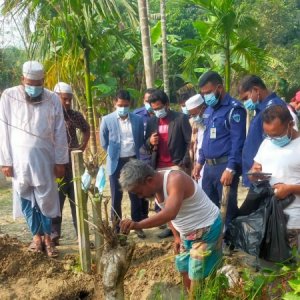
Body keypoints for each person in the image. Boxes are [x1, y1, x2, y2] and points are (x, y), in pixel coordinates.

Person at [119, 159, 222, 293]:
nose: (139, 196)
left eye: (139, 192)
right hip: (187, 234)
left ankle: (201, 295)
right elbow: (167, 213)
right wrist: (176, 236)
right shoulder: (155, 188)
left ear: (149, 180)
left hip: (207, 228)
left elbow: (170, 213)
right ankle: (190, 295)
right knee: (184, 267)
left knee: (197, 273)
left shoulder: (175, 180)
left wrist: (138, 224)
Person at [0, 61, 68, 257]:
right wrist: (5, 160)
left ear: (43, 81)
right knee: (25, 197)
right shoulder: (9, 96)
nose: (34, 87)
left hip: (46, 160)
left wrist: (60, 161)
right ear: (22, 80)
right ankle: (36, 237)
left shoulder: (53, 99)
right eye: (30, 82)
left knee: (46, 199)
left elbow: (60, 131)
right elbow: (3, 130)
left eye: (38, 83)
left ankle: (48, 239)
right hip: (18, 160)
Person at [193, 71, 246, 225]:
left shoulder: (234, 109)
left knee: (227, 208)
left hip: (224, 167)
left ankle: (229, 242)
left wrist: (231, 168)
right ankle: (215, 242)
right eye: (203, 94)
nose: (206, 96)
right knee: (209, 207)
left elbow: (238, 142)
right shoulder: (209, 110)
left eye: (208, 92)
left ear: (219, 88)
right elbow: (206, 139)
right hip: (208, 168)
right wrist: (200, 161)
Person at [249, 105, 300, 250]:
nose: (272, 139)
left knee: (292, 269)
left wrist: (290, 188)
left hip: (294, 222)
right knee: (270, 269)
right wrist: (254, 173)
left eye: (276, 135)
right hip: (268, 218)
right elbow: (254, 168)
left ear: (290, 124)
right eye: (268, 134)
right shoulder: (266, 144)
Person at [145, 89, 192, 238]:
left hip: (176, 164)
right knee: (162, 201)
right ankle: (172, 229)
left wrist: (184, 162)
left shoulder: (180, 118)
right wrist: (150, 142)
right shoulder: (152, 121)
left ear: (167, 104)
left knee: (178, 200)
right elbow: (145, 145)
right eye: (154, 109)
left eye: (159, 107)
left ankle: (184, 229)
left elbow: (189, 141)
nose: (157, 111)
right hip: (158, 165)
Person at [100, 90, 146, 238]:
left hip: (132, 160)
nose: (123, 108)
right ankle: (116, 228)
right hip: (116, 162)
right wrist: (113, 153)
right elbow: (104, 142)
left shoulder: (137, 120)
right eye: (120, 105)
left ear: (130, 104)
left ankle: (137, 225)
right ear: (115, 103)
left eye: (126, 105)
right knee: (116, 196)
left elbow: (139, 139)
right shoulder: (107, 120)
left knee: (135, 195)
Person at [51, 82, 90, 245]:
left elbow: (86, 129)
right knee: (56, 203)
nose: (67, 102)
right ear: (55, 97)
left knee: (78, 202)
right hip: (56, 168)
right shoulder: (49, 115)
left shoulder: (75, 116)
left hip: (74, 167)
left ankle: (81, 236)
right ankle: (54, 235)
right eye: (64, 99)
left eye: (69, 99)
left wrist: (82, 147)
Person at [238, 75, 286, 187]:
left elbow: (273, 144)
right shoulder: (261, 109)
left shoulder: (273, 108)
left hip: (265, 178)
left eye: (246, 98)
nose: (245, 103)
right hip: (257, 176)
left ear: (256, 90)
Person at [133, 88, 156, 221]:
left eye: (152, 101)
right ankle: (142, 217)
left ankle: (161, 216)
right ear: (144, 100)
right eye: (148, 101)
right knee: (142, 186)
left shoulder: (160, 114)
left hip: (157, 157)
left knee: (157, 186)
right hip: (142, 156)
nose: (150, 103)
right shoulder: (137, 116)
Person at [185, 94, 206, 183]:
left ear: (203, 108)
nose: (193, 117)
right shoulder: (196, 124)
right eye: (191, 115)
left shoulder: (211, 121)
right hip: (199, 161)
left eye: (194, 114)